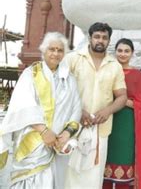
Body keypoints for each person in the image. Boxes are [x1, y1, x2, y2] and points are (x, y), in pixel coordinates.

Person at [0, 32, 81, 188]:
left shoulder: (69, 79)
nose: (56, 54)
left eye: (60, 50)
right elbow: (24, 106)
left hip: (58, 144)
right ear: (44, 50)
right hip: (33, 142)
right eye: (52, 49)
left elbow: (76, 109)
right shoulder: (31, 74)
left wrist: (66, 134)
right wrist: (44, 132)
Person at [65, 22, 127, 188]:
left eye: (104, 38)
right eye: (97, 37)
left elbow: (122, 96)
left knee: (94, 176)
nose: (100, 40)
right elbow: (61, 90)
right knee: (69, 173)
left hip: (100, 128)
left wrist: (108, 110)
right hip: (72, 126)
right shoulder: (73, 59)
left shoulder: (115, 66)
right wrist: (79, 111)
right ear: (90, 38)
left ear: (109, 41)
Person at [103, 39, 141, 188]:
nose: (123, 54)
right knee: (103, 163)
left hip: (126, 123)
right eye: (120, 50)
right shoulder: (108, 70)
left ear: (132, 53)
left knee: (124, 161)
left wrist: (123, 100)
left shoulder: (137, 75)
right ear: (115, 52)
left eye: (126, 51)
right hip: (107, 119)